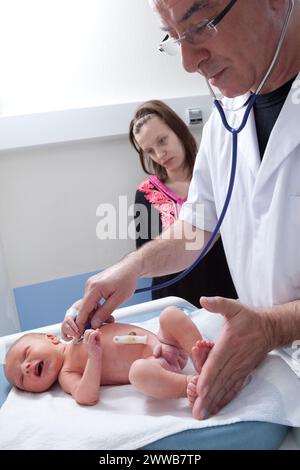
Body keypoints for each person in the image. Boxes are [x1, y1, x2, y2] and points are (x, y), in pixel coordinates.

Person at [71, 0, 300, 449]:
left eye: (199, 26)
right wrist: (133, 267)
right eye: (174, 38)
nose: (189, 62)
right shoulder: (226, 120)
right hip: (267, 375)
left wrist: (274, 326)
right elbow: (195, 226)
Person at [4, 306, 213, 413]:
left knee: (170, 314)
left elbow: (90, 308)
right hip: (155, 364)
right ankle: (188, 384)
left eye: (26, 354)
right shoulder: (67, 373)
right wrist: (94, 356)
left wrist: (91, 314)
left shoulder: (78, 331)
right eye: (22, 379)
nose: (27, 367)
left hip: (164, 342)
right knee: (138, 373)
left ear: (51, 338)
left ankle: (201, 359)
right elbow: (86, 396)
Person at [130, 100, 237, 306]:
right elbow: (146, 255)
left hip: (225, 291)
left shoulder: (217, 175)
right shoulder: (146, 193)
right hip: (173, 301)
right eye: (150, 150)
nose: (160, 154)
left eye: (162, 140)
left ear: (177, 130)